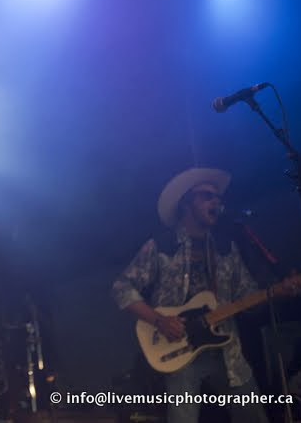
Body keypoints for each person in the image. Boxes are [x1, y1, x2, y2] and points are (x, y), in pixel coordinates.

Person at [112, 168, 276, 423]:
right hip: (179, 351)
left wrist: (276, 292)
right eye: (207, 196)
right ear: (186, 203)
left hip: (227, 351)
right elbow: (122, 288)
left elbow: (246, 293)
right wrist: (160, 321)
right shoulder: (162, 245)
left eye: (218, 198)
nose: (216, 202)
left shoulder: (225, 247)